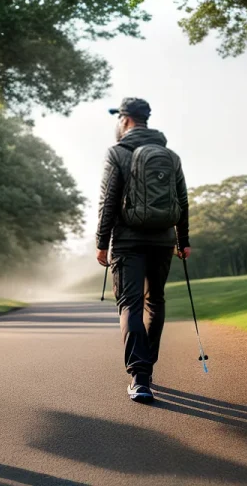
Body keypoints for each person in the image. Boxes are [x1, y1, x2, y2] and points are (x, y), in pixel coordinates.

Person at [96, 97, 190, 403]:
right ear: (146, 119)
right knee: (155, 301)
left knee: (130, 304)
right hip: (163, 240)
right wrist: (183, 240)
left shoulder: (118, 152)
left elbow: (109, 201)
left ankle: (139, 376)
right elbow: (182, 200)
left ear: (124, 120)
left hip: (128, 241)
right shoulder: (170, 155)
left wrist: (101, 242)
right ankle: (147, 369)